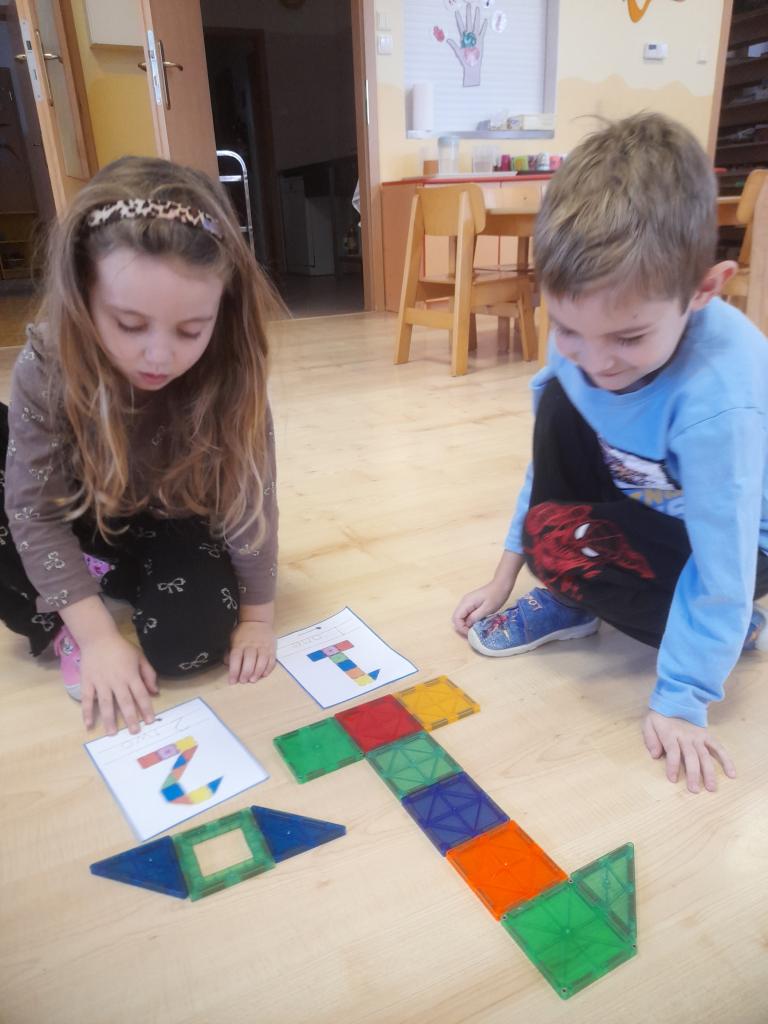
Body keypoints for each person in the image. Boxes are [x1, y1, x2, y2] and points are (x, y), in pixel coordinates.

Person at [452, 112, 768, 794]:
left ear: (704, 290)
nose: (597, 362)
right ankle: (588, 597)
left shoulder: (718, 400)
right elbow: (545, 470)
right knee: (558, 410)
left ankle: (732, 626)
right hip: (649, 497)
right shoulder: (588, 338)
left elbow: (725, 557)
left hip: (739, 544)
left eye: (629, 338)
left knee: (588, 554)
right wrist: (504, 575)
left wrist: (682, 697)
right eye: (568, 329)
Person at [1, 156, 279, 736]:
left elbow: (250, 499)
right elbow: (33, 511)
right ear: (82, 295)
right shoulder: (46, 364)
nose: (159, 356)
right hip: (74, 511)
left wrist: (258, 616)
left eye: (191, 330)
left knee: (190, 645)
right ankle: (81, 598)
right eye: (130, 325)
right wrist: (96, 637)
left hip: (170, 518)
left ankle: (107, 582)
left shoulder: (230, 370)